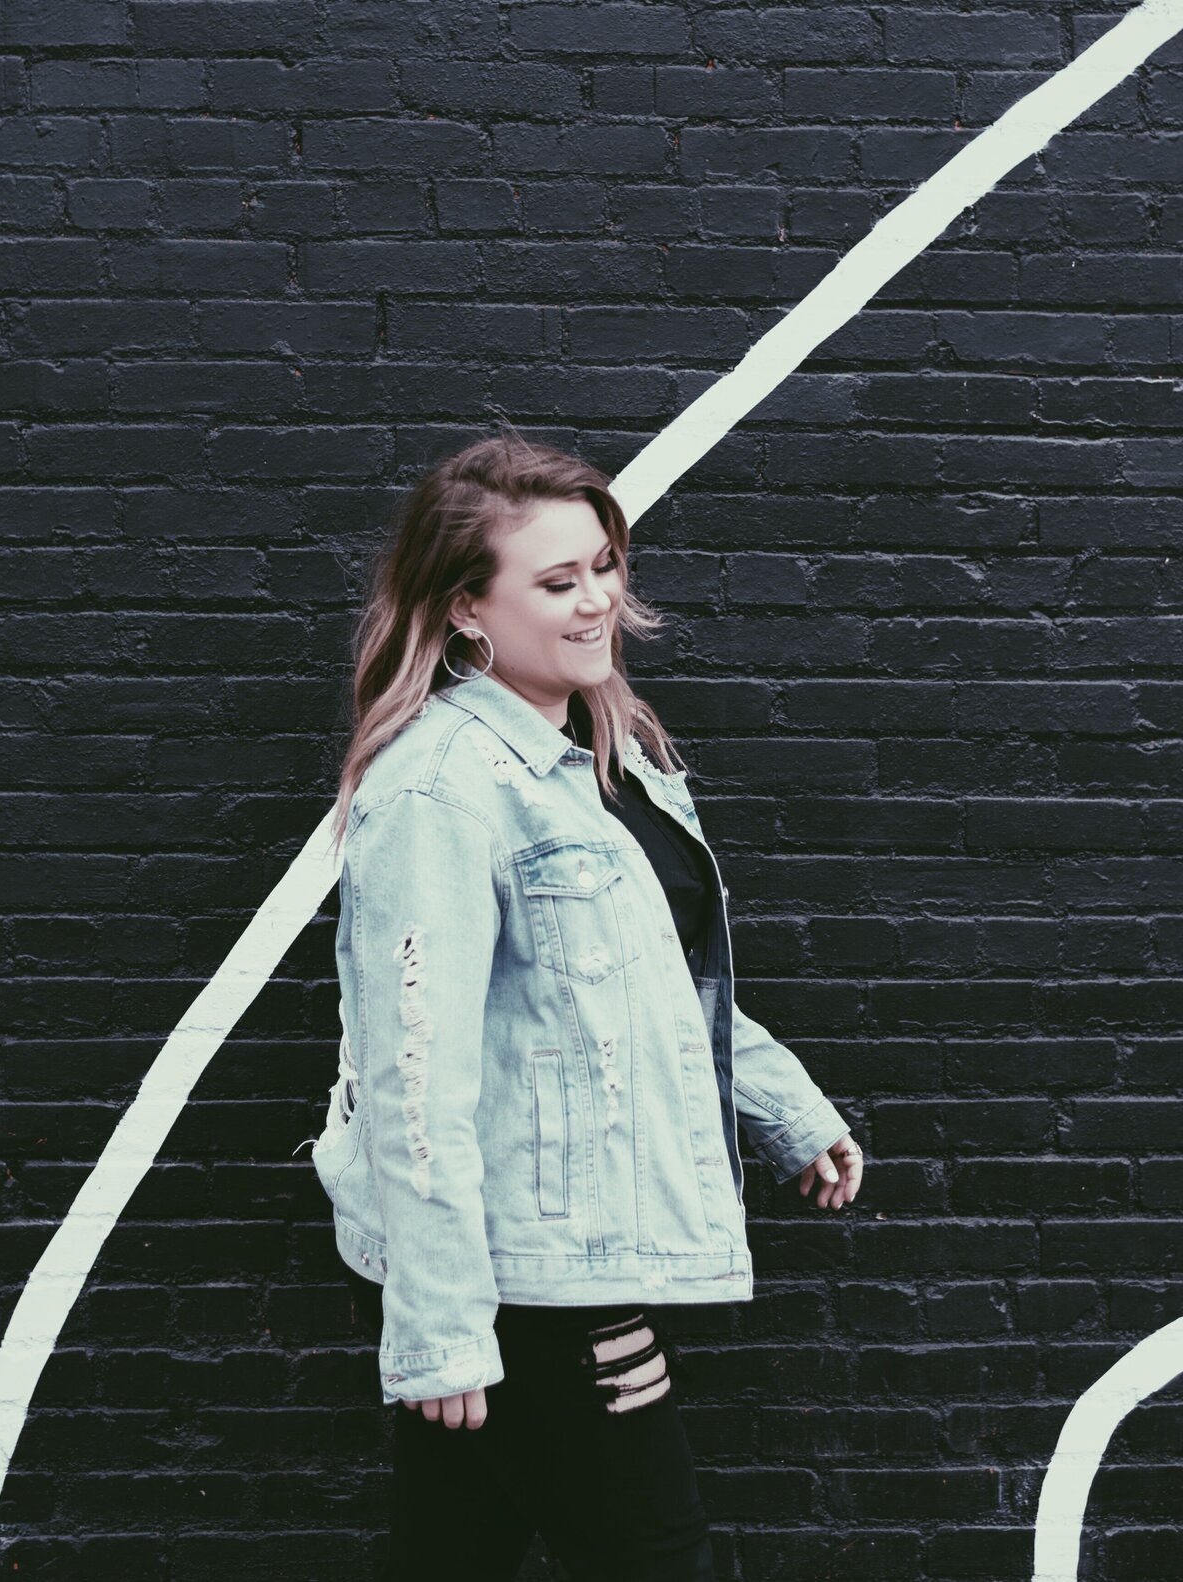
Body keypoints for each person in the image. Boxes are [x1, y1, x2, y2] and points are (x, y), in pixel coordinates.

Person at [314, 427, 865, 1580]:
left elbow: (653, 986)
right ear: (467, 608)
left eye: (604, 568)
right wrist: (444, 1335)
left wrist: (786, 1109)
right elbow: (416, 1080)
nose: (596, 602)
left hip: (551, 1271)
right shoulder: (444, 791)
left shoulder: (610, 762)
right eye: (556, 581)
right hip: (534, 1290)